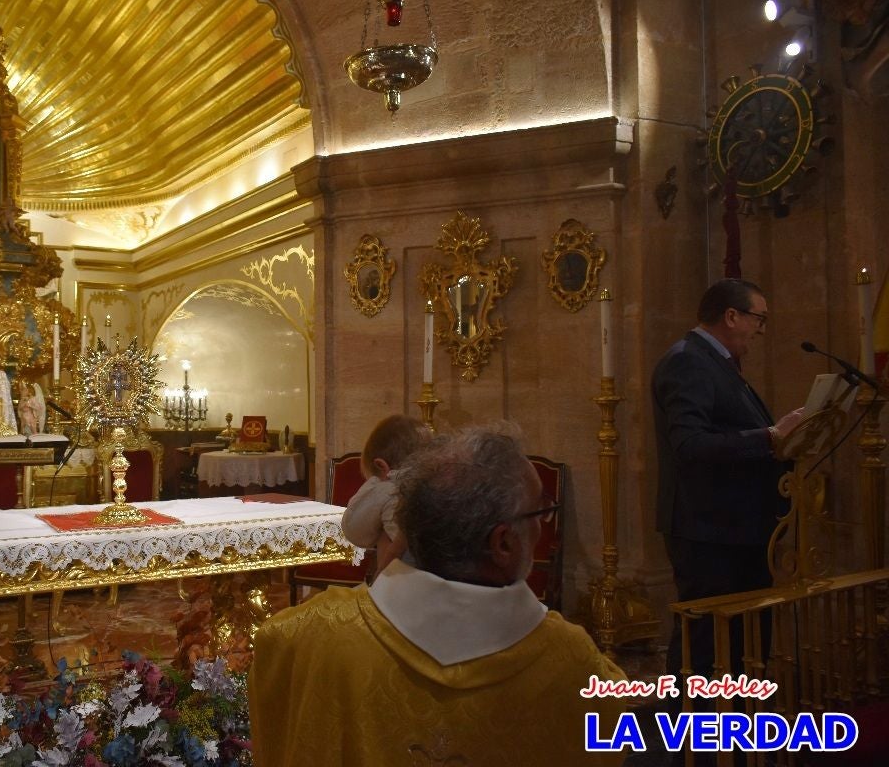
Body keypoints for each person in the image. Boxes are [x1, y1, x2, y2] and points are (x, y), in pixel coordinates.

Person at [251, 423, 627, 767]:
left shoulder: (299, 640)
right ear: (504, 544)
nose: (542, 525)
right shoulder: (574, 665)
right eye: (539, 513)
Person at [652, 278, 804, 685]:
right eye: (759, 318)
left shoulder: (716, 363)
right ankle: (692, 742)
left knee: (741, 644)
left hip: (736, 528)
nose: (761, 329)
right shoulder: (688, 361)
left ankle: (733, 736)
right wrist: (770, 437)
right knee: (704, 647)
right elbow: (690, 444)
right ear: (731, 316)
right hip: (709, 531)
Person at [340, 414, 429, 576]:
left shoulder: (387, 489)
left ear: (381, 466)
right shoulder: (437, 485)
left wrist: (374, 485)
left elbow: (354, 531)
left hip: (402, 579)